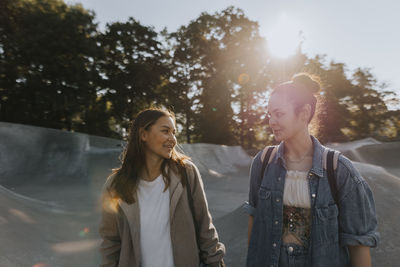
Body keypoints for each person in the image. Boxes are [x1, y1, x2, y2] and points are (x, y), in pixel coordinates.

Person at [244, 73, 379, 267]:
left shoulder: (338, 170)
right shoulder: (263, 162)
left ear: (304, 113)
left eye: (279, 113)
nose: (271, 121)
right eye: (269, 114)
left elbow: (359, 246)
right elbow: (254, 226)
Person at [99, 108, 225, 267]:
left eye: (174, 133)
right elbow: (110, 241)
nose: (173, 139)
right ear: (143, 135)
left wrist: (215, 263)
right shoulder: (115, 185)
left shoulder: (186, 173)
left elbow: (205, 227)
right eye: (166, 131)